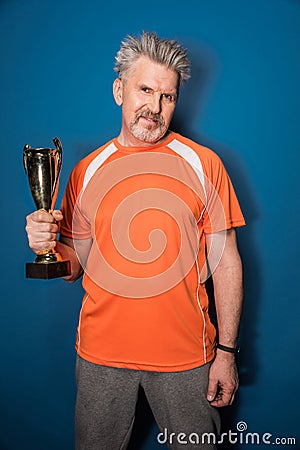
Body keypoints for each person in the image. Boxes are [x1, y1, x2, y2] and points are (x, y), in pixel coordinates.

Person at [25, 31, 246, 449]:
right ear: (119, 90)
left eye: (168, 96)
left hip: (187, 359)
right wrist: (46, 243)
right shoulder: (87, 170)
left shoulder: (204, 164)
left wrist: (228, 352)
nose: (155, 107)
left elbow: (227, 261)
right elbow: (75, 268)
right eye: (145, 89)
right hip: (100, 359)